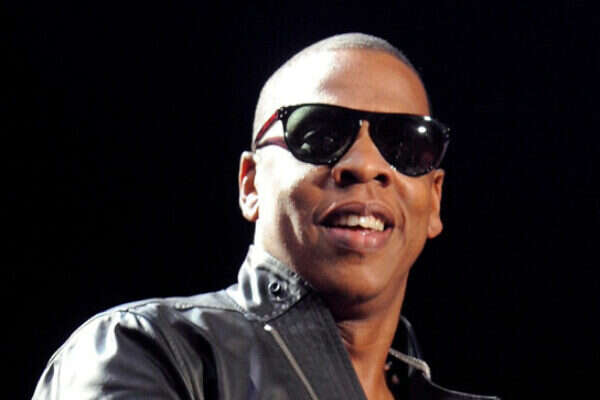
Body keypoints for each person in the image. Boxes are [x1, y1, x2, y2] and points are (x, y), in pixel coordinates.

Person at [33, 33, 499, 400]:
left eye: (405, 143)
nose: (366, 164)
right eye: (318, 134)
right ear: (251, 184)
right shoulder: (139, 351)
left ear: (434, 199)